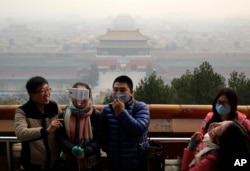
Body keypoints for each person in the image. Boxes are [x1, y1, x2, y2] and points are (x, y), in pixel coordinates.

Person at [101, 75, 150, 171]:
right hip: (114, 161)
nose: (118, 93)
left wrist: (121, 112)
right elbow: (102, 134)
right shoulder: (107, 110)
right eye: (115, 90)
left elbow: (139, 129)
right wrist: (108, 150)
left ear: (131, 92)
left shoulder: (141, 107)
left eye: (123, 90)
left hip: (136, 161)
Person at [14, 76, 63, 171]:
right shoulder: (23, 111)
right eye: (42, 91)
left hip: (55, 163)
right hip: (32, 165)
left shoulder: (54, 106)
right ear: (31, 94)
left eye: (48, 89)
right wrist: (46, 131)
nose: (47, 93)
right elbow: (20, 134)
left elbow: (63, 125)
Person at [56, 82, 102, 171]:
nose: (80, 98)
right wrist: (71, 148)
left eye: (84, 94)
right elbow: (60, 137)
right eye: (76, 94)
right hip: (69, 161)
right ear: (72, 96)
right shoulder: (64, 115)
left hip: (91, 162)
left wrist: (85, 152)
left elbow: (100, 138)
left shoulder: (96, 115)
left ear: (89, 96)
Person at [181, 120, 250, 171]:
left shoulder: (211, 163)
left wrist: (191, 148)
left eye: (219, 126)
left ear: (219, 141)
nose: (215, 125)